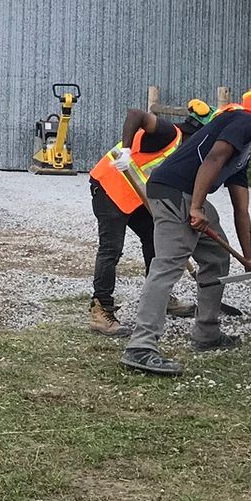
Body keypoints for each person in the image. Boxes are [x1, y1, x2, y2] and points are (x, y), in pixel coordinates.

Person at [120, 82, 251, 376]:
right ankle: (140, 347)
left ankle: (207, 332)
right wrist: (196, 208)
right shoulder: (244, 120)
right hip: (173, 191)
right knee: (168, 266)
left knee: (216, 257)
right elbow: (213, 158)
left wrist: (249, 257)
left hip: (190, 195)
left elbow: (241, 208)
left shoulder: (243, 149)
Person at [86, 99, 211, 335]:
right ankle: (101, 312)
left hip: (135, 195)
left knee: (155, 238)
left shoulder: (184, 154)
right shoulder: (168, 133)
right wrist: (125, 150)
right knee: (111, 249)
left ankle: (159, 296)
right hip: (109, 187)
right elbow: (135, 114)